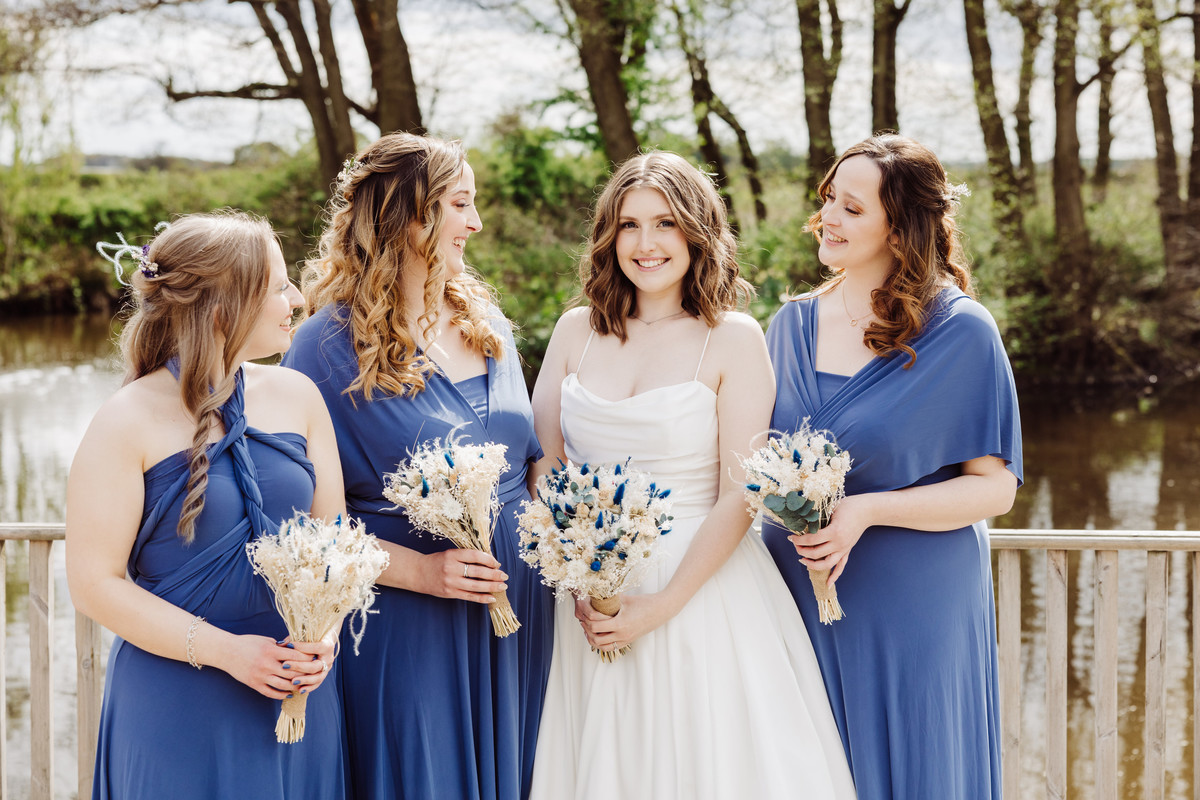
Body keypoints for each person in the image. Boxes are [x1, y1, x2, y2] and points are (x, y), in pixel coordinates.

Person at [527, 151, 856, 799]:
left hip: (702, 594)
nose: (646, 244)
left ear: (697, 234)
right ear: (608, 235)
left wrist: (660, 606)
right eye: (628, 225)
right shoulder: (575, 333)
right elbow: (547, 467)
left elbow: (741, 493)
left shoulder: (730, 337)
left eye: (665, 225)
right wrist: (583, 578)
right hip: (590, 596)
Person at [282, 132, 554, 800]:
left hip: (520, 611)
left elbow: (530, 462)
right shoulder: (324, 346)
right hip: (410, 626)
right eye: (461, 204)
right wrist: (422, 572)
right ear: (411, 217)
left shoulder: (486, 322)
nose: (477, 223)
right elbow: (300, 521)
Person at [761, 133, 1023, 799]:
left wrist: (867, 510)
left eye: (852, 208)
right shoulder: (786, 326)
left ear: (899, 226)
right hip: (795, 600)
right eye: (828, 201)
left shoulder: (961, 331)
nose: (828, 218)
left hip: (912, 606)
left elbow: (995, 488)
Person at [66, 210, 347, 799]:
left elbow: (336, 546)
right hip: (178, 704)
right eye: (278, 286)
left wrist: (327, 636)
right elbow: (94, 584)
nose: (296, 297)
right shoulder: (125, 420)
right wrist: (227, 653)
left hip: (297, 697)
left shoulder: (299, 396)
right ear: (223, 308)